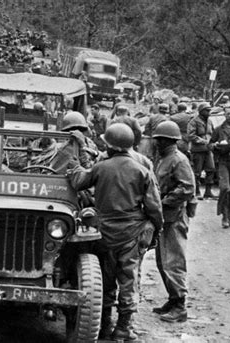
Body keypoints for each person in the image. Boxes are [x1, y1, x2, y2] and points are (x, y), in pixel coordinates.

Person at [67, 123, 163, 340]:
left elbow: (79, 181)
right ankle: (124, 328)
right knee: (129, 280)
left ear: (109, 146)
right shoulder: (142, 170)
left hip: (105, 234)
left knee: (106, 280)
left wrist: (74, 166)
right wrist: (156, 230)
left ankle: (103, 326)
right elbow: (155, 208)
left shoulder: (101, 167)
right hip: (132, 233)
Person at [151, 121, 195, 323]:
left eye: (159, 140)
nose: (156, 143)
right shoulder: (163, 159)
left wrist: (163, 202)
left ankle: (180, 305)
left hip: (174, 216)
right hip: (165, 217)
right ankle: (173, 298)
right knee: (163, 261)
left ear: (167, 141)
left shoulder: (178, 160)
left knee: (173, 262)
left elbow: (187, 189)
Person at [187, 102, 216, 199]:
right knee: (197, 172)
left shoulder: (210, 121)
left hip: (208, 150)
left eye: (209, 110)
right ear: (201, 111)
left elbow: (213, 133)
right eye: (207, 110)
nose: (209, 112)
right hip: (197, 150)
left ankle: (208, 192)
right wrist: (203, 141)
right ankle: (197, 191)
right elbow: (191, 135)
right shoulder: (193, 121)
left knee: (211, 169)